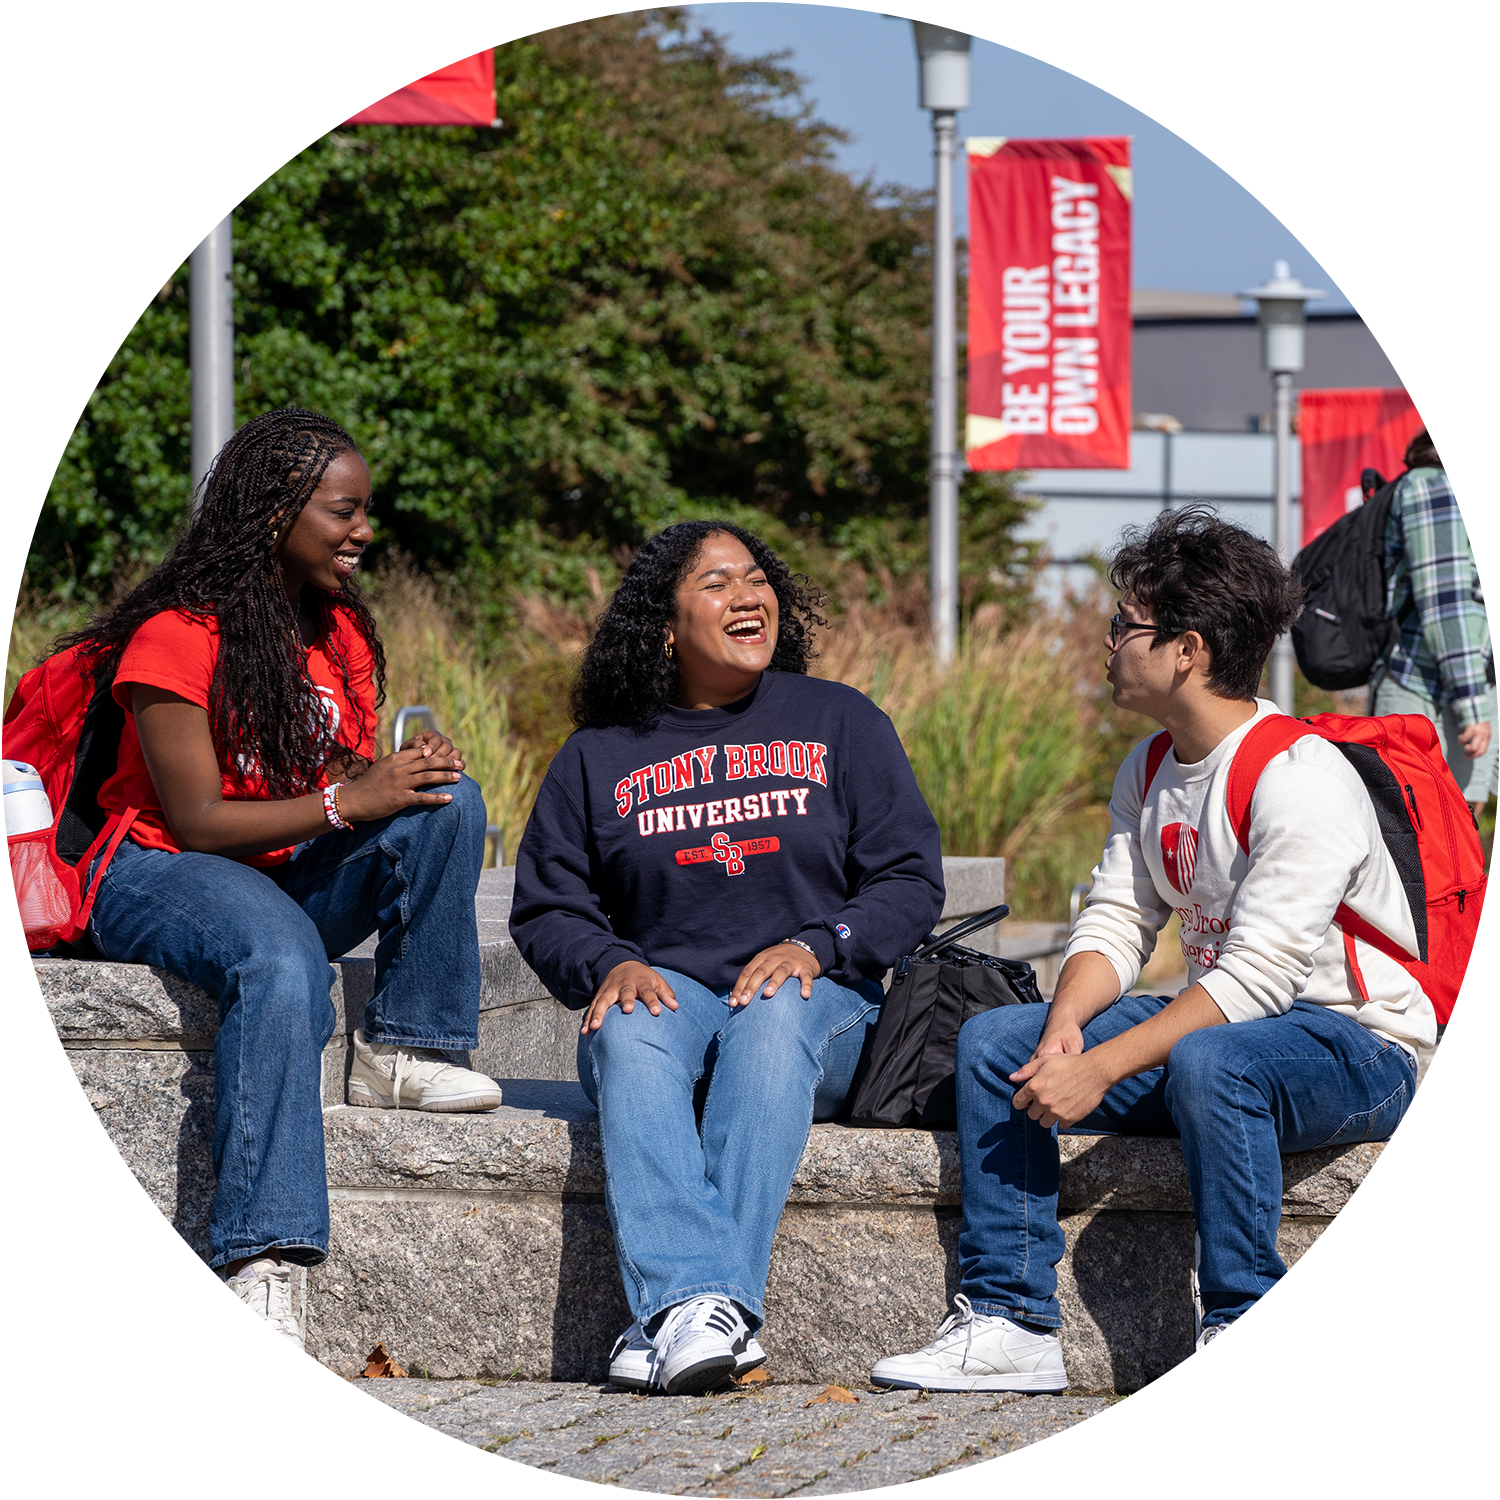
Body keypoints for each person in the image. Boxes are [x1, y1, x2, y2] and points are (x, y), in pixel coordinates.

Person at [872, 506, 1434, 1405]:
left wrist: (1099, 1070)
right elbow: (1117, 922)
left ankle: (1252, 1329)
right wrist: (1064, 1030)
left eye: (1124, 628)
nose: (1106, 645)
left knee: (1216, 1063)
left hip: (1351, 1044)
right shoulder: (1151, 766)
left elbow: (1257, 978)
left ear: (1189, 650)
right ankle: (1011, 1323)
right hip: (1230, 1034)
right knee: (992, 1045)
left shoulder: (1299, 776)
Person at [68, 408, 501, 1384]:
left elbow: (320, 775)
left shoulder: (336, 628)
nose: (363, 533)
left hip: (266, 866)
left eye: (365, 513)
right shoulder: (175, 636)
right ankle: (261, 1261)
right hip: (154, 870)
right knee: (281, 959)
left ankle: (407, 1044)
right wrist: (354, 795)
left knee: (446, 806)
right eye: (344, 512)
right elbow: (195, 819)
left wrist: (396, 776)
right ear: (275, 512)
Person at [510, 520, 944, 1396]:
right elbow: (548, 907)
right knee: (630, 1022)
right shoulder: (600, 754)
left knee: (774, 1012)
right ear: (664, 626)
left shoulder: (839, 720)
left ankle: (681, 1307)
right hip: (679, 997)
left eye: (756, 578)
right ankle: (707, 1315)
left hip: (823, 1003)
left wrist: (820, 947)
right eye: (717, 583)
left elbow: (908, 878)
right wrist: (607, 963)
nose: (749, 595)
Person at [1374, 350, 1498, 822]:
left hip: (1471, 696)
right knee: (1418, 856)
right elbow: (1444, 605)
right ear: (1484, 409)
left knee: (1457, 854)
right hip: (1420, 695)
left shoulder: (1483, 488)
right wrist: (1472, 705)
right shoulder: (1434, 487)